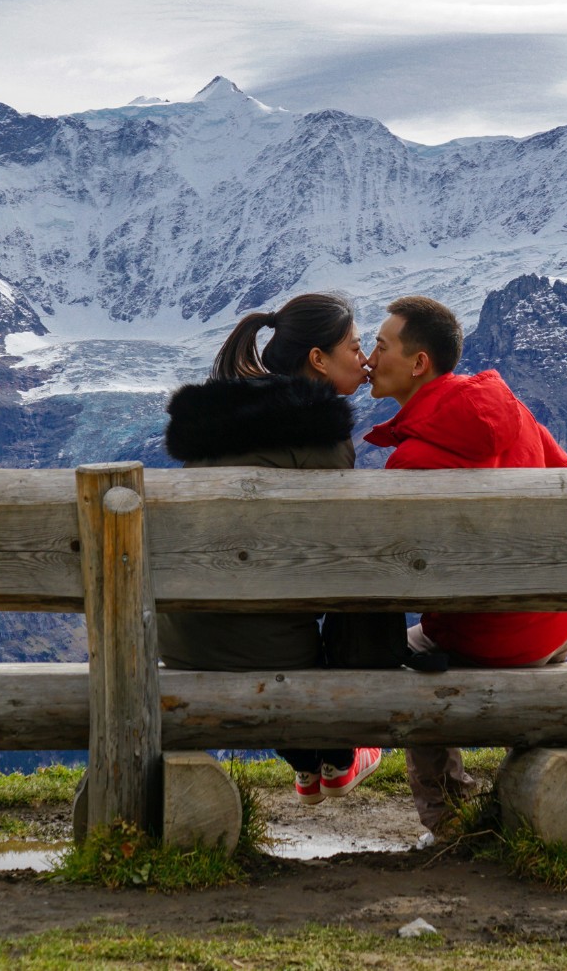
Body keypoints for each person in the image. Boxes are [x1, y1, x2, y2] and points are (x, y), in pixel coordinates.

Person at [160, 291, 400, 805]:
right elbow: (337, 559)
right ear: (318, 359)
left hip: (179, 637)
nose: (364, 360)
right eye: (355, 348)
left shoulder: (212, 424)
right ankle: (339, 751)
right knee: (369, 575)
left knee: (262, 615)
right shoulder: (321, 438)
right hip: (270, 648)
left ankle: (316, 762)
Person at [363, 294, 567, 838]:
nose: (369, 357)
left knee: (403, 655)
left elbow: (397, 572)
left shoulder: (411, 461)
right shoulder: (510, 408)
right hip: (559, 624)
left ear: (419, 363)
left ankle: (450, 821)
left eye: (381, 345)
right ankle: (530, 791)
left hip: (488, 640)